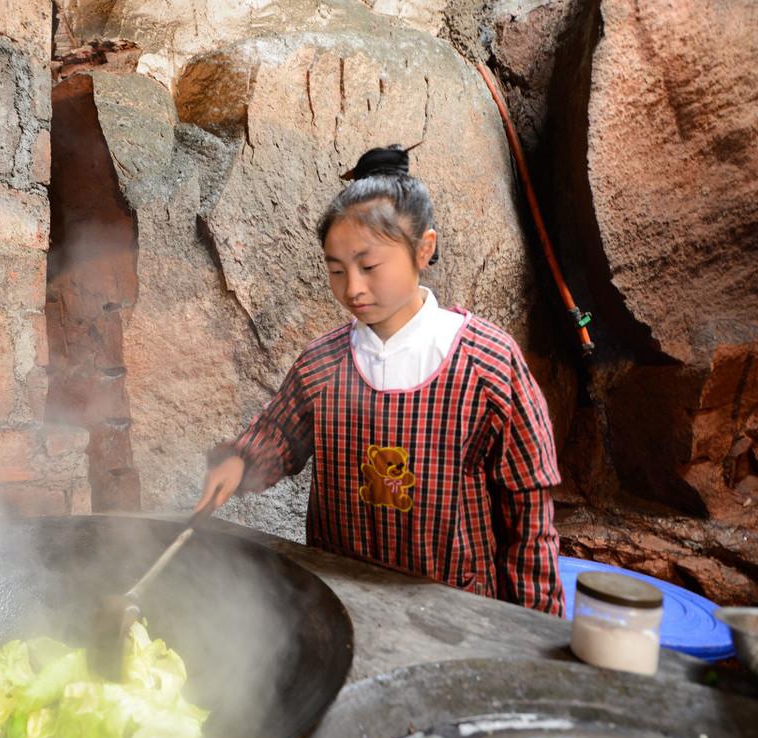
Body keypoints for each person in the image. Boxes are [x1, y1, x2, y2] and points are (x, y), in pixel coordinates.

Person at [195, 144, 565, 616]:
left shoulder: (487, 364)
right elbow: (277, 437)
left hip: (459, 613)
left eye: (369, 267)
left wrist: (534, 627)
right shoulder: (322, 365)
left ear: (423, 249)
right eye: (336, 270)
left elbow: (528, 515)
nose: (352, 288)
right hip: (342, 603)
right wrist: (239, 465)